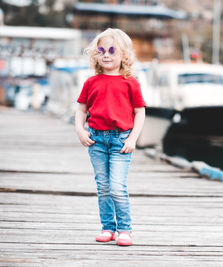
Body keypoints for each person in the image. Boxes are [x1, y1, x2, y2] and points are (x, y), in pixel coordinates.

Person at [75, 28, 146, 246]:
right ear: (96, 54)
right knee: (103, 186)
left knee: (117, 186)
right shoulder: (91, 82)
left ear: (124, 55)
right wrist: (80, 129)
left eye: (112, 50)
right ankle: (108, 228)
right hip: (96, 140)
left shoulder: (130, 82)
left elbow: (140, 112)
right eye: (102, 50)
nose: (106, 54)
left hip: (121, 140)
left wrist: (132, 138)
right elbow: (81, 109)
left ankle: (125, 229)